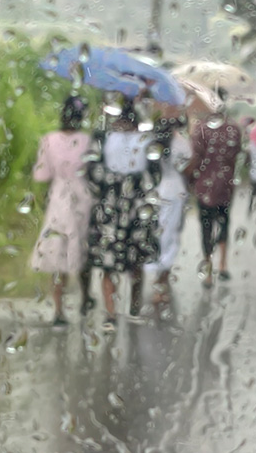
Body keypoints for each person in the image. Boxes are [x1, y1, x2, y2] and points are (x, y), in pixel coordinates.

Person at [86, 99, 161, 330]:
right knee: (136, 258)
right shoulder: (147, 141)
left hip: (111, 204)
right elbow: (155, 175)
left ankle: (110, 312)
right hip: (137, 206)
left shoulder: (103, 138)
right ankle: (134, 306)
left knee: (109, 261)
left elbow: (93, 173)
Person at [30, 95, 93, 327]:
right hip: (82, 196)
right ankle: (86, 296)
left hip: (58, 197)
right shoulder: (87, 140)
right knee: (82, 245)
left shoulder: (49, 139)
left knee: (58, 251)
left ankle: (58, 309)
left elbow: (42, 175)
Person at [185, 92, 243, 287]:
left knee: (206, 226)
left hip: (204, 186)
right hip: (226, 184)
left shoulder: (201, 130)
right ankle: (223, 264)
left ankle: (208, 269)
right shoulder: (233, 129)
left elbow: (195, 159)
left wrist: (190, 180)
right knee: (224, 221)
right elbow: (235, 156)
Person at [144, 113, 192, 303]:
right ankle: (162, 282)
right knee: (171, 237)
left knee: (158, 234)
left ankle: (158, 278)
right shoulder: (181, 143)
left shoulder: (154, 142)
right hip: (176, 192)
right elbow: (188, 168)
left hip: (158, 191)